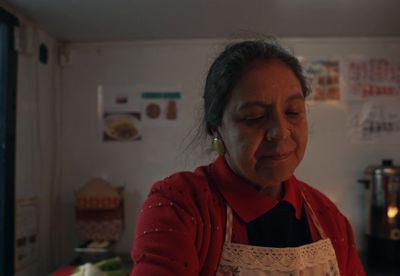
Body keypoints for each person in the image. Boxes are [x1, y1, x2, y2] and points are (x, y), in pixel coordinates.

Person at [131, 39, 365, 276]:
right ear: (217, 128)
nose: (281, 132)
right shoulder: (180, 207)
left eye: (293, 112)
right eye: (254, 117)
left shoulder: (330, 219)